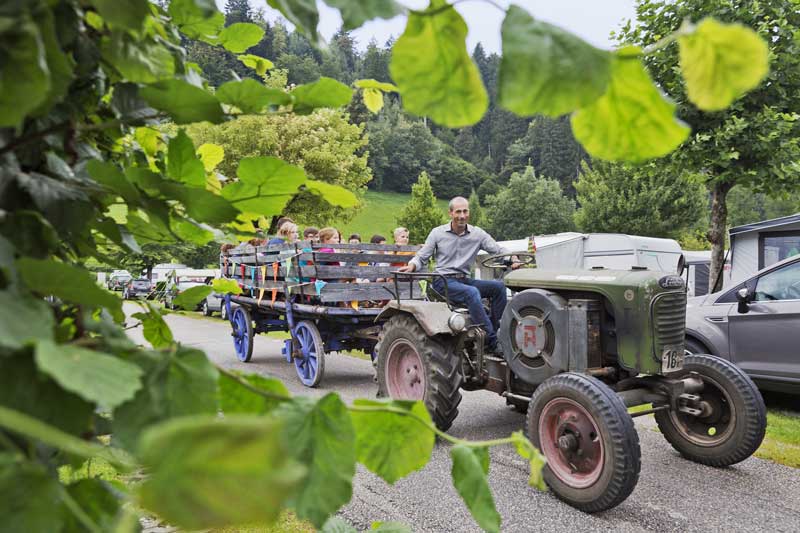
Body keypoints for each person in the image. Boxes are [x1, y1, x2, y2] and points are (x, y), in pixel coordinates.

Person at [399, 196, 519, 352]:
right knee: (472, 293)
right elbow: (422, 256)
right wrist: (412, 265)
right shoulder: (437, 233)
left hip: (464, 280)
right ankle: (491, 342)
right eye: (458, 212)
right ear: (450, 213)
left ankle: (496, 331)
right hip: (443, 281)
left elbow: (497, 249)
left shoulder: (477, 234)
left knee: (499, 287)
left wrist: (512, 257)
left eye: (465, 211)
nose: (462, 216)